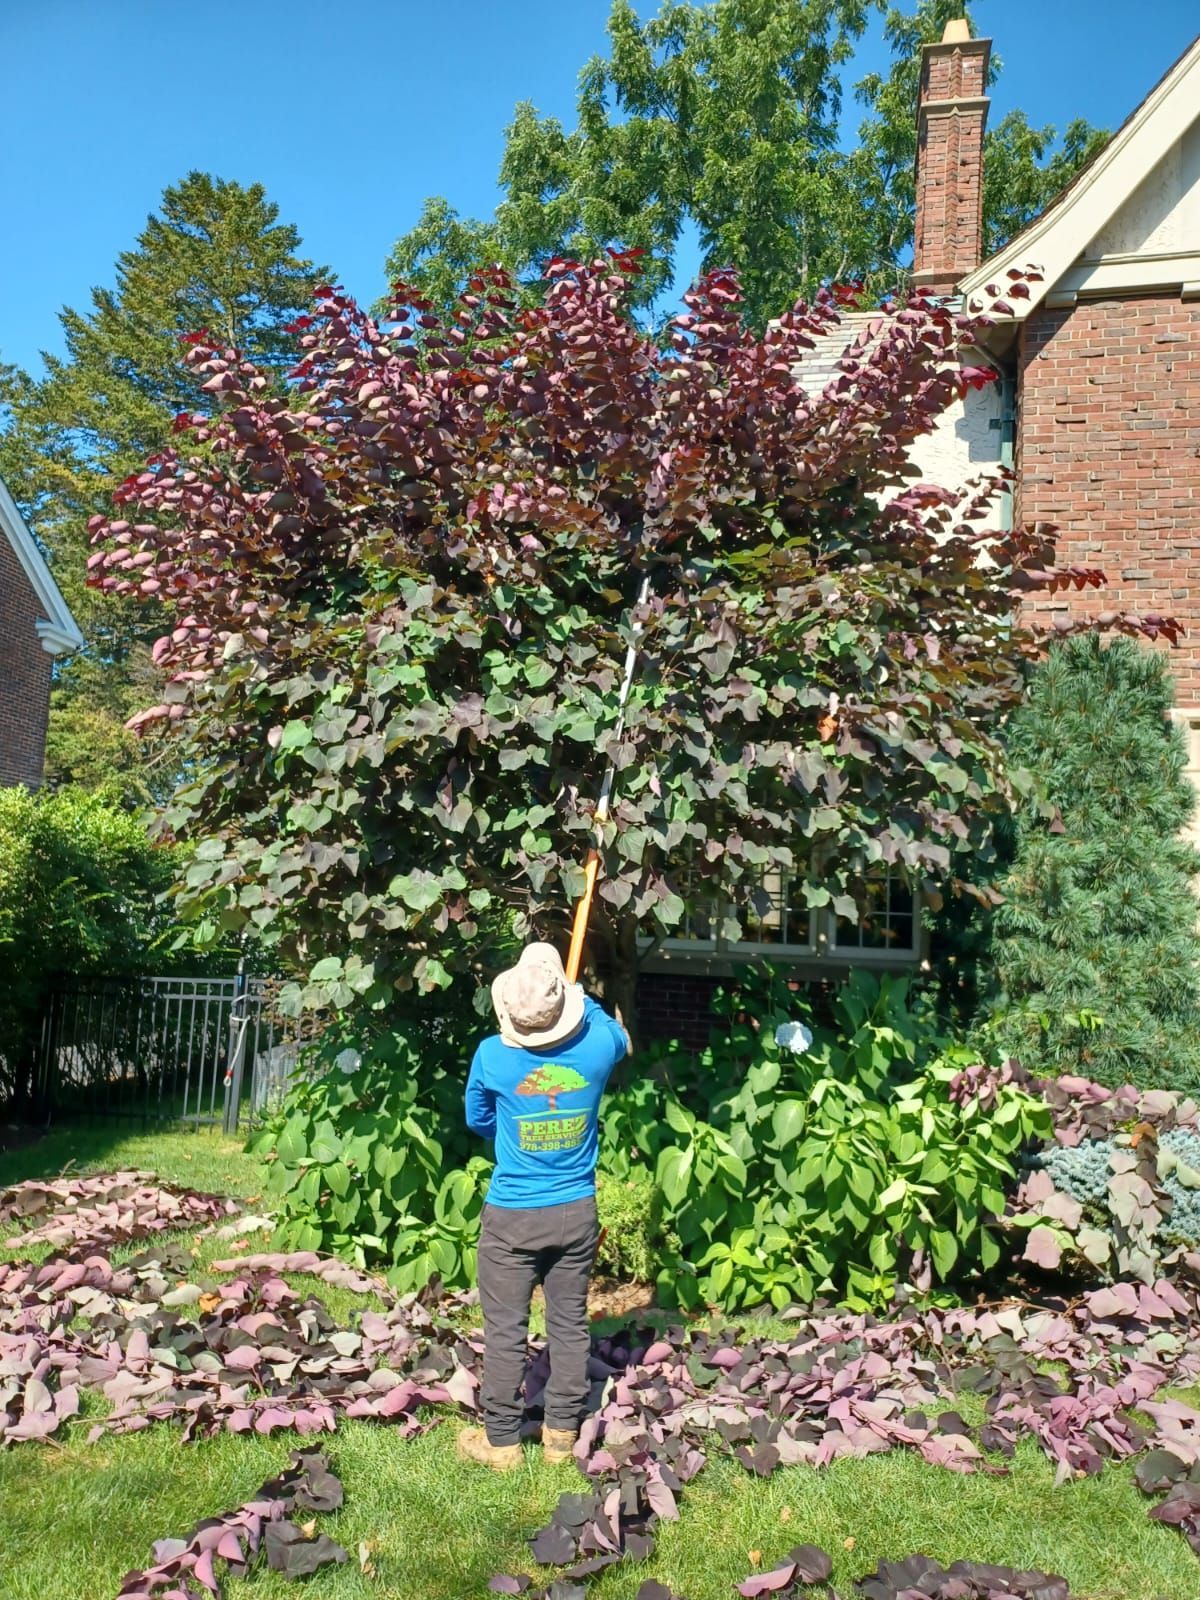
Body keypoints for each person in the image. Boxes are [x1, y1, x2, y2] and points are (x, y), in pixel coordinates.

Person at [457, 941, 630, 1471]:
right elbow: (615, 1029)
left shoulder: (493, 1055)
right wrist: (576, 1000)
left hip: (512, 1216)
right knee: (570, 1323)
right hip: (576, 1212)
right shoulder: (600, 1045)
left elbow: (478, 1120)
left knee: (506, 1329)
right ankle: (561, 1434)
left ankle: (502, 1443)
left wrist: (514, 1128)